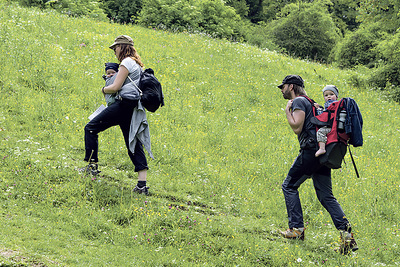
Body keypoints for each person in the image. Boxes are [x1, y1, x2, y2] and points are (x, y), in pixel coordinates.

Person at [277, 75, 358, 254]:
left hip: (310, 152)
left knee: (289, 186)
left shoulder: (298, 101)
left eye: (283, 87)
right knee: (326, 197)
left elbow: (297, 127)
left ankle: (296, 229)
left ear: (291, 86)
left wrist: (287, 112)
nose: (281, 90)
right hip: (323, 155)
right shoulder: (313, 103)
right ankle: (347, 236)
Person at [80, 35, 153, 195]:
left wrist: (104, 89)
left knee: (90, 128)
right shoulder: (137, 64)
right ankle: (142, 185)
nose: (114, 51)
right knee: (132, 142)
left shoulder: (126, 62)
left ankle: (92, 167)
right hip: (132, 107)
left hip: (122, 105)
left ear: (122, 47)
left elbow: (115, 86)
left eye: (116, 48)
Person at [315, 85, 339, 157]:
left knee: (320, 131)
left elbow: (324, 116)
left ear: (336, 96)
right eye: (326, 95)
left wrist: (318, 109)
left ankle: (322, 148)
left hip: (331, 126)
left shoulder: (331, 104)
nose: (329, 97)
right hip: (335, 126)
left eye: (331, 94)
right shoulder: (338, 105)